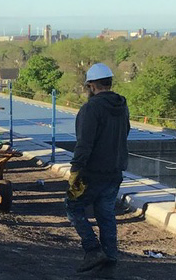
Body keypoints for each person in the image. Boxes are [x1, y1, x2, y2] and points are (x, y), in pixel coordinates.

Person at [66, 62, 130, 275]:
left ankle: (93, 249)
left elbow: (84, 143)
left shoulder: (91, 108)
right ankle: (110, 258)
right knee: (106, 214)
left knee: (73, 207)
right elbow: (125, 134)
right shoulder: (122, 106)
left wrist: (76, 170)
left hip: (92, 173)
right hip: (115, 171)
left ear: (91, 86)